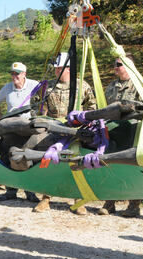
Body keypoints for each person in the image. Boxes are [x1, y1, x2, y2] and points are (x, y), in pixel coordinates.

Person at [33, 52, 97, 215]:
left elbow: (92, 107)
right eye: (56, 68)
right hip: (53, 131)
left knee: (76, 164)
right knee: (48, 163)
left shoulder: (82, 85)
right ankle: (46, 198)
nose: (57, 71)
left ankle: (78, 200)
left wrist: (85, 122)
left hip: (77, 132)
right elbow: (37, 107)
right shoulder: (47, 87)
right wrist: (42, 120)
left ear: (68, 69)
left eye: (60, 68)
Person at [97, 53, 142, 218]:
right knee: (111, 165)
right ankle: (110, 203)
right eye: (115, 64)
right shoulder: (111, 87)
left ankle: (134, 205)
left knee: (134, 167)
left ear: (129, 66)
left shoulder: (139, 86)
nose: (115, 68)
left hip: (133, 133)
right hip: (114, 133)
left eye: (119, 64)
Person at [0, 62, 40, 203]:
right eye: (12, 74)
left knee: (28, 159)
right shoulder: (7, 88)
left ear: (24, 74)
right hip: (11, 130)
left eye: (17, 74)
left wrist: (41, 116)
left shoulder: (34, 85)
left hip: (29, 130)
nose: (14, 76)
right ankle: (11, 191)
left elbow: (45, 101)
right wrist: (1, 119)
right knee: (8, 158)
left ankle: (30, 192)